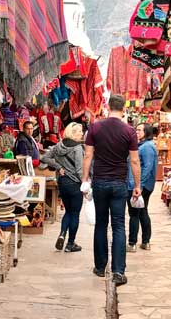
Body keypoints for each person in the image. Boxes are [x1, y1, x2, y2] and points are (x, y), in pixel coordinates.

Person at [82, 94, 141, 286]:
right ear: (123, 108)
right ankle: (118, 271)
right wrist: (138, 185)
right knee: (118, 226)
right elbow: (134, 160)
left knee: (101, 223)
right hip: (118, 184)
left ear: (108, 106)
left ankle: (100, 267)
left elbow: (88, 156)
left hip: (99, 182)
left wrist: (85, 179)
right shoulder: (129, 131)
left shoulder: (95, 127)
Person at [41, 123, 85, 252]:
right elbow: (79, 169)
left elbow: (45, 158)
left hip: (62, 183)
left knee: (68, 212)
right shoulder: (77, 148)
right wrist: (86, 184)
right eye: (80, 131)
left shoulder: (59, 145)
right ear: (73, 133)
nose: (82, 134)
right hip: (75, 184)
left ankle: (62, 234)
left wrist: (59, 167)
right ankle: (70, 244)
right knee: (75, 214)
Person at [127, 123, 157, 253]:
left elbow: (147, 168)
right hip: (139, 184)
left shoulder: (147, 147)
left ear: (147, 132)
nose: (137, 132)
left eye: (139, 130)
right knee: (142, 211)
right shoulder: (142, 146)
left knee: (135, 213)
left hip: (140, 186)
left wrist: (139, 185)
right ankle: (145, 242)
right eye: (136, 129)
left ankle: (132, 243)